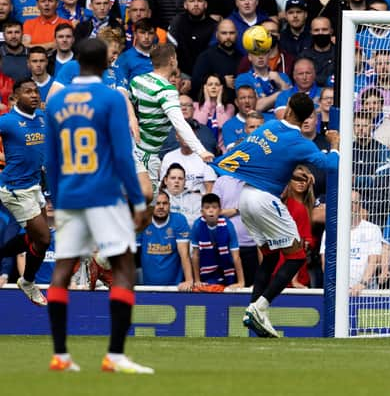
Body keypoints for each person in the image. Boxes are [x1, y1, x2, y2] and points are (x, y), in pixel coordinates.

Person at [44, 38, 153, 372]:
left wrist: (57, 199)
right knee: (122, 268)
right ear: (106, 64)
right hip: (104, 195)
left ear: (76, 62)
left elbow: (51, 157)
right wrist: (136, 199)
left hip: (69, 196)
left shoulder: (57, 100)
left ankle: (61, 355)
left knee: (62, 271)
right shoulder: (110, 98)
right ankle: (115, 355)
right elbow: (122, 154)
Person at [212, 92, 339, 338]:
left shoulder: (269, 126)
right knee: (297, 256)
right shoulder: (301, 142)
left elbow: (271, 158)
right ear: (305, 119)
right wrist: (334, 144)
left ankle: (254, 309)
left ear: (288, 109)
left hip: (245, 196)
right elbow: (332, 166)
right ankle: (261, 306)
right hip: (264, 198)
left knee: (269, 257)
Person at [129, 44, 214, 191]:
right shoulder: (167, 90)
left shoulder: (138, 80)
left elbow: (125, 104)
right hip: (147, 154)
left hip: (131, 148)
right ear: (172, 59)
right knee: (147, 207)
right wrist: (201, 150)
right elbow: (179, 123)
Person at [0, 79, 49, 306]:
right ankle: (28, 281)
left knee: (35, 239)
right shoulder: (8, 121)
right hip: (15, 189)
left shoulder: (42, 118)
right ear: (16, 96)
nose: (34, 95)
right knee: (45, 239)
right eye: (28, 91)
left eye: (36, 91)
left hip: (35, 185)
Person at [137, 190, 193, 290]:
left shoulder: (179, 220)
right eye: (157, 203)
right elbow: (131, 254)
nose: (161, 207)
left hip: (175, 287)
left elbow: (184, 254)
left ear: (169, 205)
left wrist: (189, 280)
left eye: (165, 203)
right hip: (148, 288)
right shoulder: (143, 221)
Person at [191, 192, 244, 290]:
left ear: (220, 211)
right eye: (207, 208)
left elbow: (236, 256)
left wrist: (241, 282)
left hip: (227, 268)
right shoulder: (197, 226)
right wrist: (197, 280)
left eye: (214, 207)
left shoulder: (228, 226)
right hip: (206, 269)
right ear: (202, 212)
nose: (211, 210)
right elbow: (195, 255)